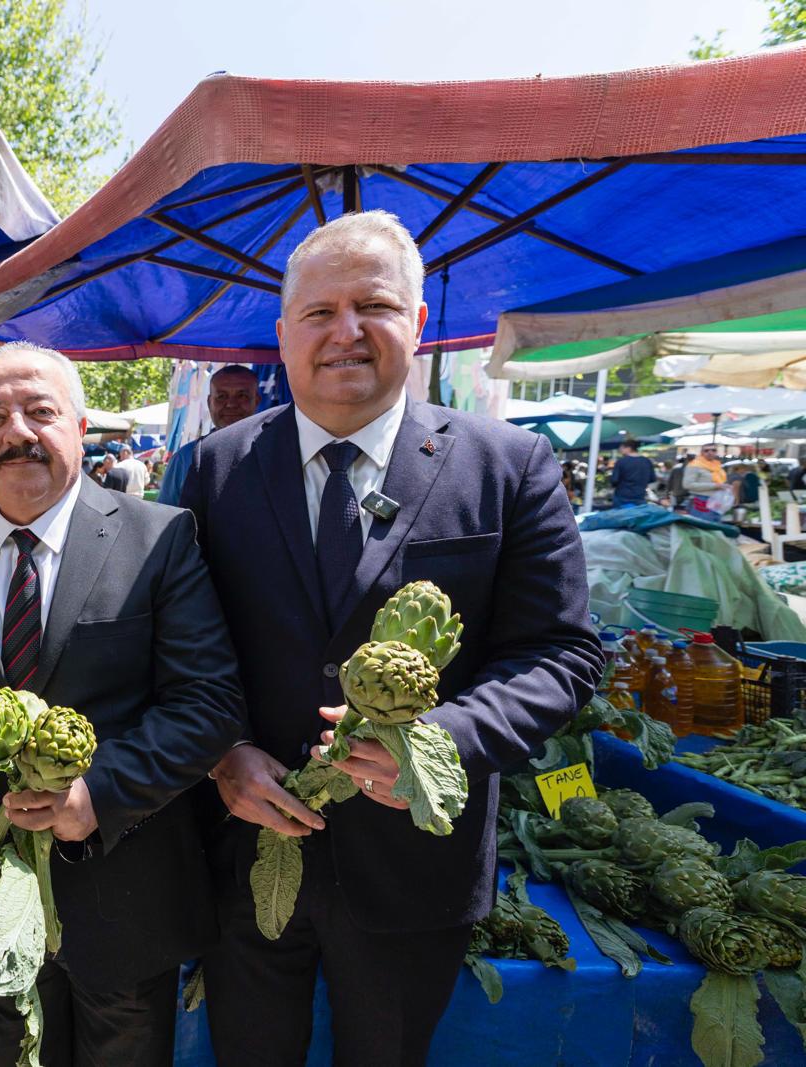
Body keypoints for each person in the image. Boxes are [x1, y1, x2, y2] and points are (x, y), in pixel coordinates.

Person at [181, 211, 602, 1067]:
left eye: (372, 306)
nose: (345, 333)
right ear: (283, 334)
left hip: (415, 871)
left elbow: (562, 651)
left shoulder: (508, 466)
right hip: (247, 850)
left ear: (414, 324)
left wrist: (438, 744)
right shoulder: (212, 469)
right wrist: (223, 752)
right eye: (319, 312)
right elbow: (180, 645)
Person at [0, 342, 245, 1067]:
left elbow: (209, 701)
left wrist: (98, 792)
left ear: (79, 425)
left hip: (125, 893)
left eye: (40, 411)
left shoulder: (157, 537)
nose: (18, 432)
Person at [156, 365, 261, 505]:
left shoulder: (275, 454)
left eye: (242, 396)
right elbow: (167, 516)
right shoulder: (185, 458)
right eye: (221, 396)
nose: (231, 404)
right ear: (209, 402)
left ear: (257, 401)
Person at [610, 437, 656, 507]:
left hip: (622, 497)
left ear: (628, 448)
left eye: (621, 448)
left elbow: (614, 480)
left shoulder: (621, 461)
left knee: (621, 517)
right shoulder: (647, 461)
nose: (620, 450)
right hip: (640, 496)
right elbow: (652, 479)